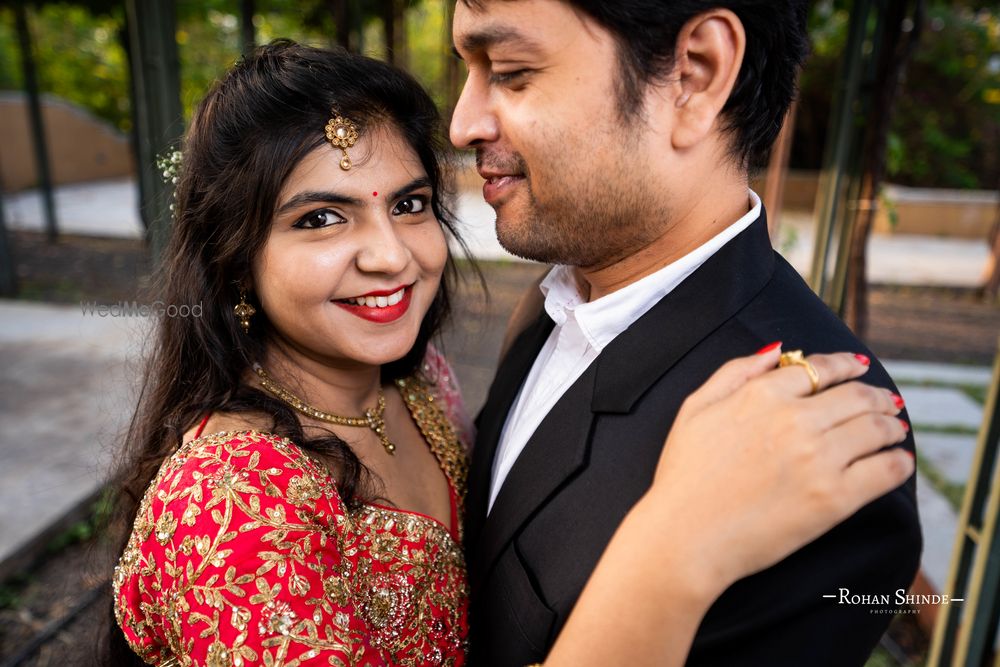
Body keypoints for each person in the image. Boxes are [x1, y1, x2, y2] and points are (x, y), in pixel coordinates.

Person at [105, 41, 913, 667]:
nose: (390, 255)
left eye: (411, 204)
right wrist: (671, 554)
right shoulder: (231, 502)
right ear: (234, 256)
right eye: (321, 217)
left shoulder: (419, 384)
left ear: (696, 73)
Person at [449, 1, 923, 665]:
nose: (462, 123)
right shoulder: (556, 299)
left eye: (512, 71)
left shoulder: (820, 437)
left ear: (694, 75)